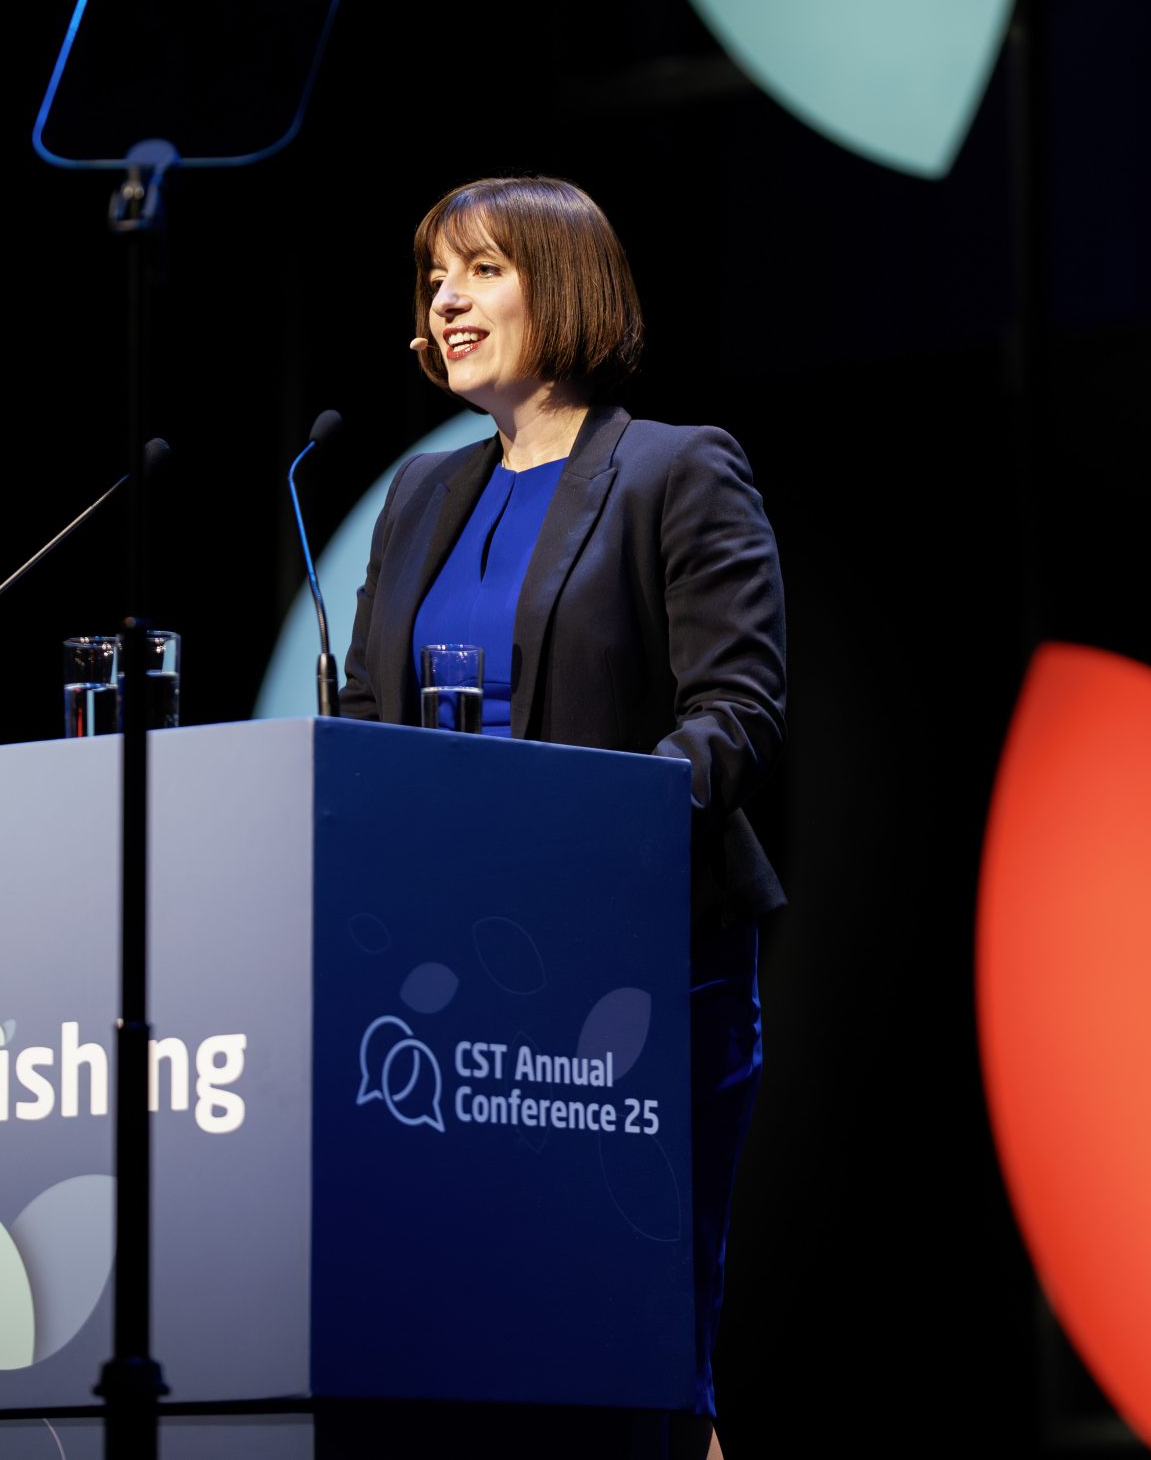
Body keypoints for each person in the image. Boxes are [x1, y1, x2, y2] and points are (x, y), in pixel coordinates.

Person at [340, 175, 784, 1457]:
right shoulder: (419, 494)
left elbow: (736, 711)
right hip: (453, 988)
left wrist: (579, 838)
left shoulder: (676, 470)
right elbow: (368, 716)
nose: (446, 299)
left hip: (634, 968)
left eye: (481, 269)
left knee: (637, 1351)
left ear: (568, 285)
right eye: (435, 277)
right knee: (484, 1349)